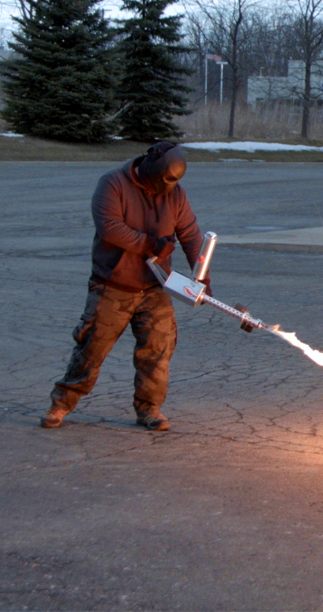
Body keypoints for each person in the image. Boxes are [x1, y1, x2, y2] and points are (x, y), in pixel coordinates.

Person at [42, 142, 208, 431]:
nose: (169, 188)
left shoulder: (176, 194)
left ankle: (149, 409)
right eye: (165, 181)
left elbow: (190, 233)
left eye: (174, 183)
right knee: (91, 348)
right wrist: (150, 244)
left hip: (156, 286)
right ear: (151, 170)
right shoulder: (113, 184)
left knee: (157, 350)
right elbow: (110, 227)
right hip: (113, 285)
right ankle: (61, 403)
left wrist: (201, 277)